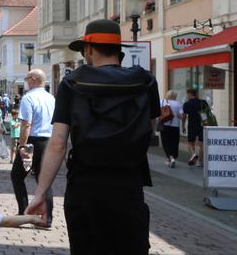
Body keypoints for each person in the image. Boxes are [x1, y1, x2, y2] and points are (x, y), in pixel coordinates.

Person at [26, 19, 160, 254]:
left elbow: (57, 144)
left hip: (85, 185)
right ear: (118, 50)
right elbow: (150, 127)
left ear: (88, 49)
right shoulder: (145, 82)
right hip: (128, 184)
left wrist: (40, 193)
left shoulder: (72, 83)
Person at [11, 69, 56, 226]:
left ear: (34, 79)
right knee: (43, 180)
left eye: (27, 78)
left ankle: (24, 212)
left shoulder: (28, 98)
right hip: (48, 140)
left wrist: (22, 145)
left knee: (17, 176)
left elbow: (26, 124)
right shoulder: (51, 98)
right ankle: (47, 218)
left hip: (33, 142)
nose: (26, 81)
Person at [182, 88, 205, 167]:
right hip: (202, 125)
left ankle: (193, 154)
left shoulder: (187, 104)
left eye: (187, 94)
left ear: (190, 94)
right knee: (202, 144)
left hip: (192, 125)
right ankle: (200, 162)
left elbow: (184, 116)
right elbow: (208, 113)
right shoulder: (203, 102)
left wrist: (183, 126)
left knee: (190, 143)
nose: (187, 96)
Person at [159, 90, 183, 168]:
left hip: (164, 126)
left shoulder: (162, 102)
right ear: (175, 96)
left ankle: (170, 158)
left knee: (166, 143)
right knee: (174, 143)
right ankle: (172, 158)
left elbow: (157, 113)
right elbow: (181, 116)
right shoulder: (178, 103)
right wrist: (175, 114)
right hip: (175, 126)